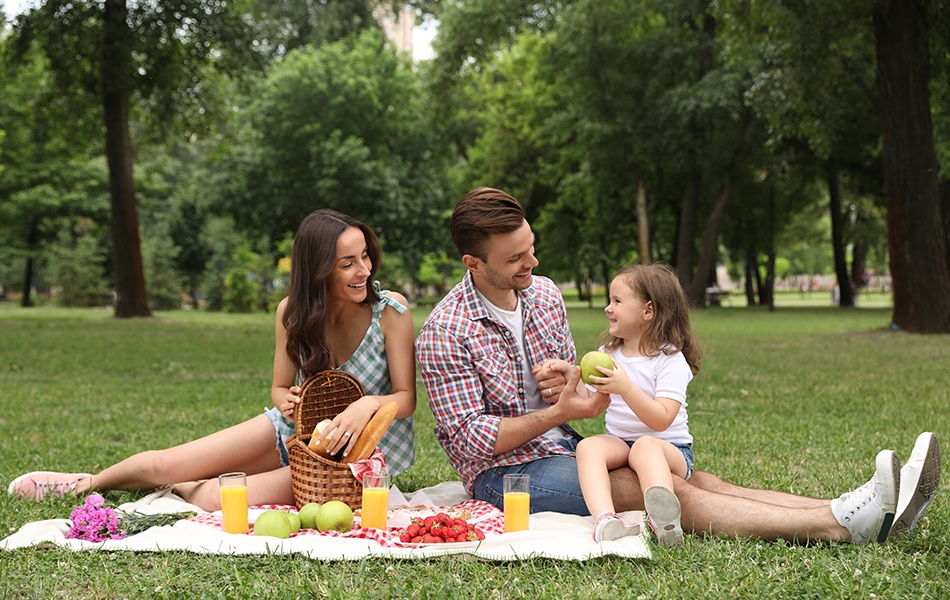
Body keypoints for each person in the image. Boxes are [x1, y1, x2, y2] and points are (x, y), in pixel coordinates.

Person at [415, 186, 940, 545]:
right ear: (474, 264)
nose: (533, 264)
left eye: (531, 248)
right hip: (503, 476)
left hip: (567, 446)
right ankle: (841, 526)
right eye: (516, 259)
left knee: (699, 480)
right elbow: (470, 441)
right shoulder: (444, 331)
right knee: (663, 491)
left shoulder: (543, 294)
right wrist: (557, 414)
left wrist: (566, 380)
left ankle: (852, 505)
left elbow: (576, 383)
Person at [9, 209, 417, 511]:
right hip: (293, 432)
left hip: (351, 463)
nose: (363, 269)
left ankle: (182, 488)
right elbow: (278, 387)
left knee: (217, 496)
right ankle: (85, 484)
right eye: (347, 263)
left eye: (364, 256)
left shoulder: (391, 312)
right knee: (168, 461)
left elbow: (405, 399)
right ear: (319, 270)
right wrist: (285, 402)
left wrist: (368, 404)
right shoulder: (292, 312)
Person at [572, 263, 702, 546]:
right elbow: (583, 396)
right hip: (622, 443)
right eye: (610, 300)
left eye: (617, 301)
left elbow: (661, 420)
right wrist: (569, 375)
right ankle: (606, 519)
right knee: (589, 446)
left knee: (645, 445)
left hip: (669, 449)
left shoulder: (669, 359)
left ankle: (664, 521)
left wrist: (626, 388)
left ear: (648, 311)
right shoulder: (608, 353)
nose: (608, 308)